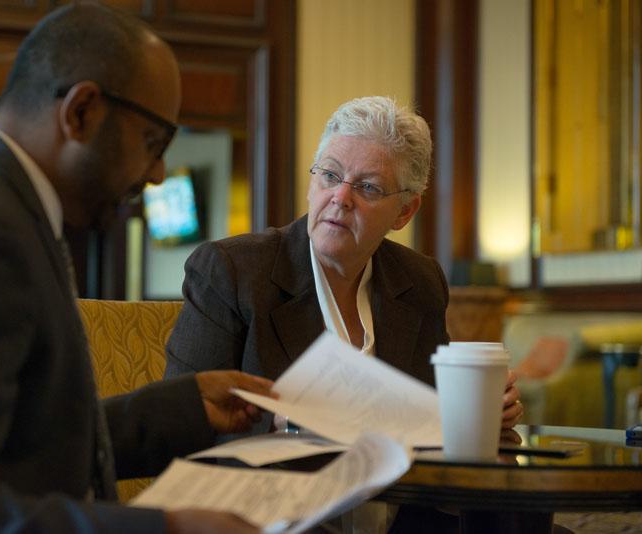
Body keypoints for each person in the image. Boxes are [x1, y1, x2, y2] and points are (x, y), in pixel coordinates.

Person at [0, 3, 272, 533]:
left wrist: (180, 408)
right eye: (153, 143)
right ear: (82, 111)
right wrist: (167, 529)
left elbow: (16, 444)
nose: (158, 174)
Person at [164, 96, 523, 532]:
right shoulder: (233, 272)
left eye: (368, 187)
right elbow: (180, 431)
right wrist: (285, 426)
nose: (341, 197)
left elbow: (428, 422)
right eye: (330, 175)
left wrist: (478, 413)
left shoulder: (420, 281)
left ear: (405, 211)